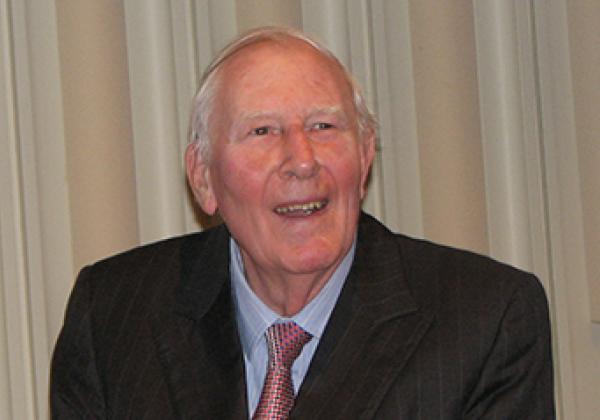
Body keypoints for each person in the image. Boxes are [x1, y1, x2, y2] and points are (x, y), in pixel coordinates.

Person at [50, 26, 555, 419]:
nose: (302, 159)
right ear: (203, 178)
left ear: (365, 157)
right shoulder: (114, 313)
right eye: (263, 130)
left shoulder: (486, 319)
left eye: (324, 126)